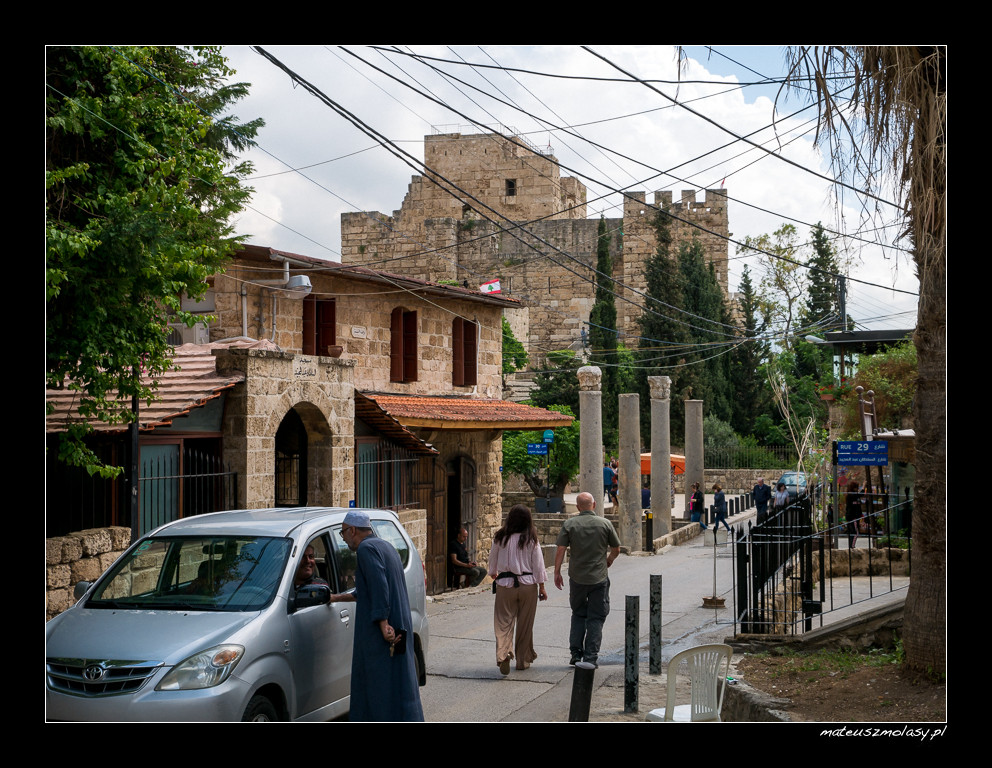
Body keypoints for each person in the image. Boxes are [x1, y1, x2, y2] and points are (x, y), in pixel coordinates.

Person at [328, 511, 424, 722]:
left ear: (352, 530)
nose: (343, 539)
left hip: (383, 632)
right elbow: (367, 590)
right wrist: (335, 598)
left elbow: (379, 587)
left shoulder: (366, 549)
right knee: (399, 682)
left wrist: (382, 623)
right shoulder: (385, 546)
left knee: (377, 685)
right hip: (398, 624)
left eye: (343, 533)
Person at [554, 491, 621, 667]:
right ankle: (590, 657)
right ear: (594, 504)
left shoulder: (570, 524)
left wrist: (557, 572)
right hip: (598, 578)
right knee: (596, 617)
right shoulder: (605, 524)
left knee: (578, 614)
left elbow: (561, 549)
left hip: (577, 578)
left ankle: (575, 653)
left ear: (577, 507)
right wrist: (609, 560)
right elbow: (616, 548)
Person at [488, 505, 548, 674]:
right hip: (528, 585)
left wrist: (494, 573)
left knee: (503, 622)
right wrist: (542, 587)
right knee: (525, 624)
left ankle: (504, 654)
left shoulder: (500, 537)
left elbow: (492, 559)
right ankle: (522, 660)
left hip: (505, 584)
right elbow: (538, 564)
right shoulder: (531, 538)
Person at [845, 480, 863, 548]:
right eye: (857, 487)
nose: (858, 489)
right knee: (855, 532)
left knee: (852, 532)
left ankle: (851, 546)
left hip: (855, 516)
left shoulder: (854, 495)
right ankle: (852, 546)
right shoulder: (851, 495)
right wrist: (863, 486)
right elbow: (861, 494)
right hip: (853, 517)